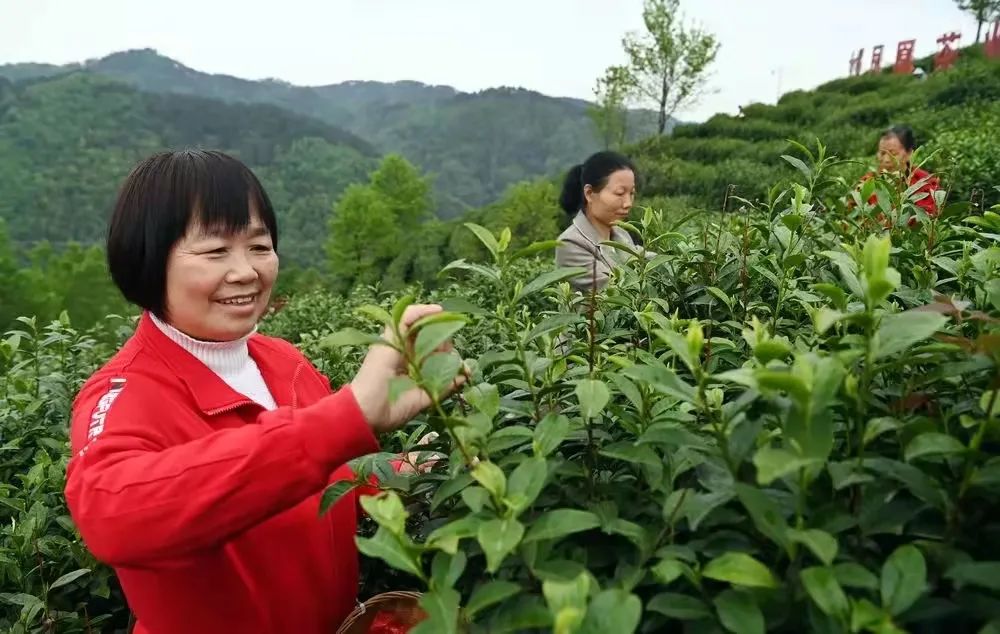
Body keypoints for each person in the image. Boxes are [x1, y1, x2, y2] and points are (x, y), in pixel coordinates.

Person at [63, 150, 464, 634]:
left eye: (259, 245)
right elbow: (111, 516)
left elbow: (325, 472)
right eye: (215, 252)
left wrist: (403, 474)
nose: (246, 272)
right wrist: (347, 416)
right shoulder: (125, 392)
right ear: (147, 259)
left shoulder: (283, 361)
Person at [555, 151, 650, 292]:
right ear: (589, 193)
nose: (628, 203)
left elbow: (648, 259)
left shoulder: (621, 235)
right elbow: (617, 291)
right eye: (619, 193)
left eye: (631, 193)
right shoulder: (570, 244)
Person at [860, 125, 940, 227]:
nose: (886, 160)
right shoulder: (867, 182)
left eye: (893, 154)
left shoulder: (926, 182)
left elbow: (928, 221)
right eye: (882, 153)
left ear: (909, 153)